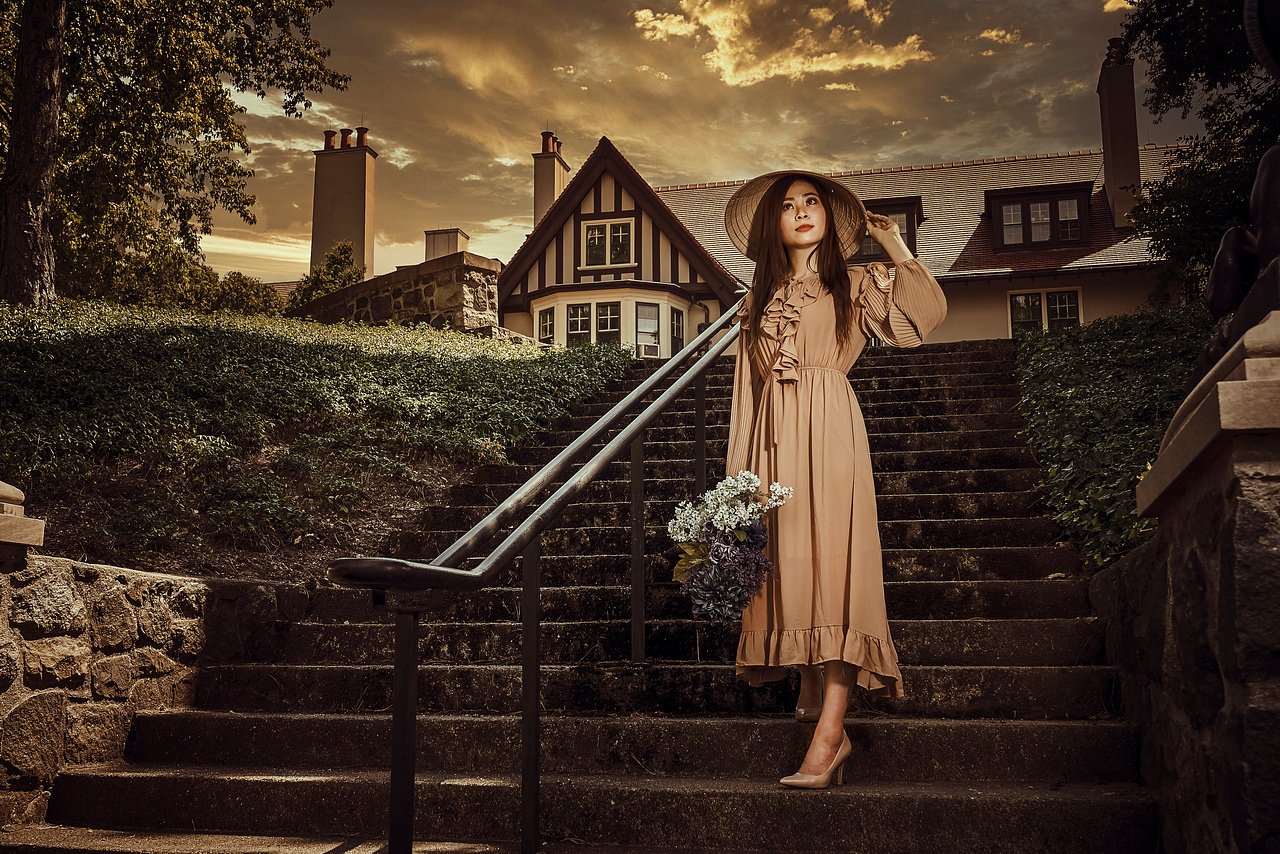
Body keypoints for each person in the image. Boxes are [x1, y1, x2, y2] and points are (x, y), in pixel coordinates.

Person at [722, 170, 948, 789]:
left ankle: (830, 733)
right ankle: (810, 676)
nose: (799, 212)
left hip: (833, 429)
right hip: (773, 437)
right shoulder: (756, 299)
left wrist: (896, 247)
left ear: (827, 215)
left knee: (839, 568)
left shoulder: (853, 282)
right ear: (773, 224)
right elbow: (746, 397)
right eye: (788, 206)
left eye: (811, 202)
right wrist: (736, 486)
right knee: (790, 563)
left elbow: (922, 322)